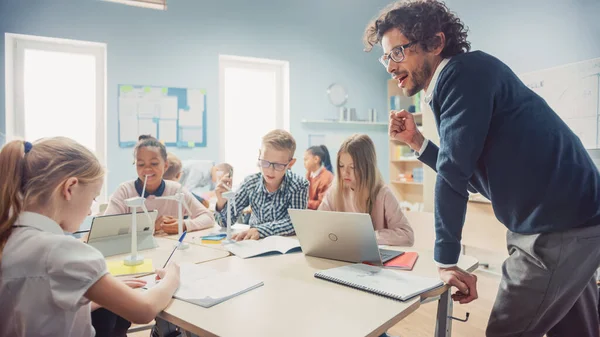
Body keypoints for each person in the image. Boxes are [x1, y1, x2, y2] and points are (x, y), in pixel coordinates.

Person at [364, 1, 600, 335]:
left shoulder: (463, 74)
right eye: (385, 57)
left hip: (557, 225)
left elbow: (453, 174)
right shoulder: (460, 81)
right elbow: (472, 177)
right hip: (572, 217)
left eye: (398, 52)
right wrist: (417, 141)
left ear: (435, 43)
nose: (389, 66)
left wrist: (445, 260)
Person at [0, 137, 180, 337]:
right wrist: (172, 277)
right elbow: (144, 310)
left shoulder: (10, 238)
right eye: (93, 198)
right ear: (70, 188)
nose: (89, 212)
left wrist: (101, 297)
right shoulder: (63, 250)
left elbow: (38, 311)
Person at [105, 135, 214, 234]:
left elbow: (208, 217)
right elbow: (106, 227)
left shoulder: (176, 190)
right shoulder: (124, 191)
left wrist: (184, 225)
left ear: (165, 165)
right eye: (141, 164)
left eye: (154, 163)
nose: (147, 169)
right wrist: (151, 226)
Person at [319, 134, 414, 246]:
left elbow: (407, 235)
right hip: (342, 253)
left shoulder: (383, 193)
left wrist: (367, 236)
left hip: (374, 259)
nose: (345, 172)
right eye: (341, 166)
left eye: (353, 167)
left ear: (367, 167)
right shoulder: (335, 191)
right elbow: (319, 224)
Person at [214, 129, 309, 240]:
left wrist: (260, 230)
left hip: (285, 248)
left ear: (290, 163)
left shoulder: (299, 185)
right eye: (264, 163)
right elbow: (225, 223)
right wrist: (221, 202)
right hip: (254, 244)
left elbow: (294, 223)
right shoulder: (250, 183)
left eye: (278, 165)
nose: (270, 170)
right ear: (259, 155)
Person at [304, 145, 334, 210]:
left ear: (316, 159)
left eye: (306, 159)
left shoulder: (327, 177)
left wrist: (304, 202)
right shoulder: (309, 174)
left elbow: (322, 204)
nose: (304, 163)